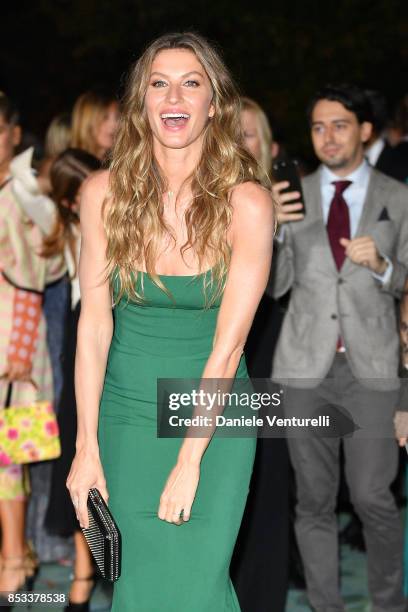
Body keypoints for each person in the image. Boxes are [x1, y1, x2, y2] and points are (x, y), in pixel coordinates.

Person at [66, 32, 274, 611]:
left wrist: (189, 460)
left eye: (191, 82)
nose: (173, 96)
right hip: (126, 416)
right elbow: (93, 327)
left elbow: (228, 352)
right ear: (142, 102)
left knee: (197, 587)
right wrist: (85, 449)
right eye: (159, 83)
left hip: (214, 419)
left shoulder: (248, 203)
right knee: (138, 589)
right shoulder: (103, 194)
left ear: (215, 102)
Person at [268, 84, 408, 612]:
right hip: (305, 371)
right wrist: (276, 235)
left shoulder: (399, 197)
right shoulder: (292, 195)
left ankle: (390, 604)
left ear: (365, 131)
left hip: (372, 368)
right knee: (314, 502)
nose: (328, 137)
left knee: (374, 497)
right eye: (318, 127)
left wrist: (385, 267)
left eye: (340, 125)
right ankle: (327, 608)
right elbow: (275, 287)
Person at [0, 93, 64, 593]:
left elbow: (39, 273)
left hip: (13, 344)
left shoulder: (24, 195)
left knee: (11, 454)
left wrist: (21, 344)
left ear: (15, 135)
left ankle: (14, 560)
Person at [230, 96, 289, 612]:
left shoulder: (289, 203)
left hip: (270, 360)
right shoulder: (205, 199)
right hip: (209, 358)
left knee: (266, 487)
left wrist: (283, 230)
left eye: (249, 133)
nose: (238, 142)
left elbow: (282, 289)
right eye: (230, 131)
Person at [43, 149, 101, 611]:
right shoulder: (65, 237)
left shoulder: (126, 221)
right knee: (78, 467)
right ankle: (82, 577)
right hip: (82, 344)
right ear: (68, 202)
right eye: (83, 191)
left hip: (120, 338)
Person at [71, 91, 119, 162]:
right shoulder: (71, 166)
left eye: (118, 117)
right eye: (104, 118)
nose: (115, 124)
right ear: (87, 122)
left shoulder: (118, 162)